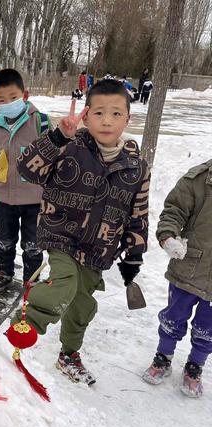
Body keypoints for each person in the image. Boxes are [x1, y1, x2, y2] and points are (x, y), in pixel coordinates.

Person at [13, 79, 150, 384]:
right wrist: (58, 137)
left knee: (82, 303)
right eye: (98, 113)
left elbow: (138, 212)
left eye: (116, 114)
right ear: (86, 116)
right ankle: (21, 329)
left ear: (128, 118)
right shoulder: (69, 147)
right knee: (64, 281)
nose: (107, 121)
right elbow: (27, 169)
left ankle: (68, 353)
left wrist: (134, 253)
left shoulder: (136, 167)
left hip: (99, 249)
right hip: (61, 236)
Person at [0, 68, 70, 293]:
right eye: (2, 100)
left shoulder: (40, 123)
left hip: (35, 200)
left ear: (25, 95)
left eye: (13, 97)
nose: (8, 103)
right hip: (4, 199)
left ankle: (32, 282)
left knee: (33, 245)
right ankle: (5, 275)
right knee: (4, 241)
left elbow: (57, 154)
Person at [142, 160, 212, 398]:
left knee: (208, 328)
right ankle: (163, 356)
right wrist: (168, 236)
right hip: (189, 266)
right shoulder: (199, 180)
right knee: (173, 317)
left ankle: (195, 366)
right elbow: (174, 210)